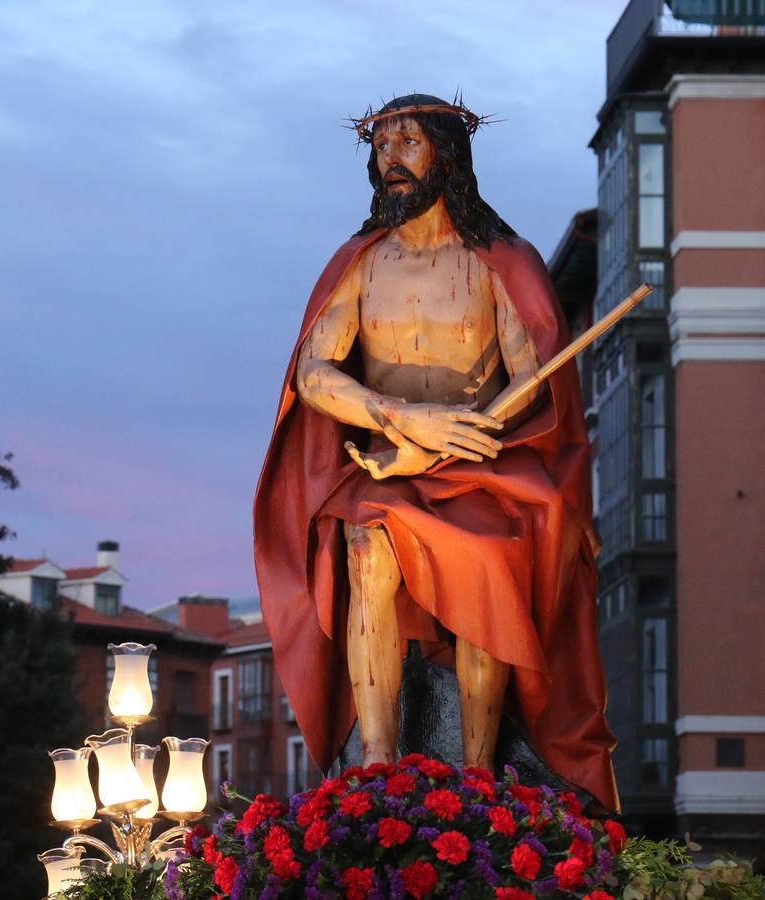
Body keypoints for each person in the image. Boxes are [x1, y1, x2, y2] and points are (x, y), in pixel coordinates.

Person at [254, 94, 618, 809]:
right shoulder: (357, 263)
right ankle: (375, 775)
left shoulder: (499, 262)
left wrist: (457, 436)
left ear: (447, 156)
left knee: (485, 563)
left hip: (483, 467)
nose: (392, 158)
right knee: (365, 548)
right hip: (385, 465)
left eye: (409, 143)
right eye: (383, 145)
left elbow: (533, 384)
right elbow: (313, 372)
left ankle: (478, 782)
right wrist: (401, 421)